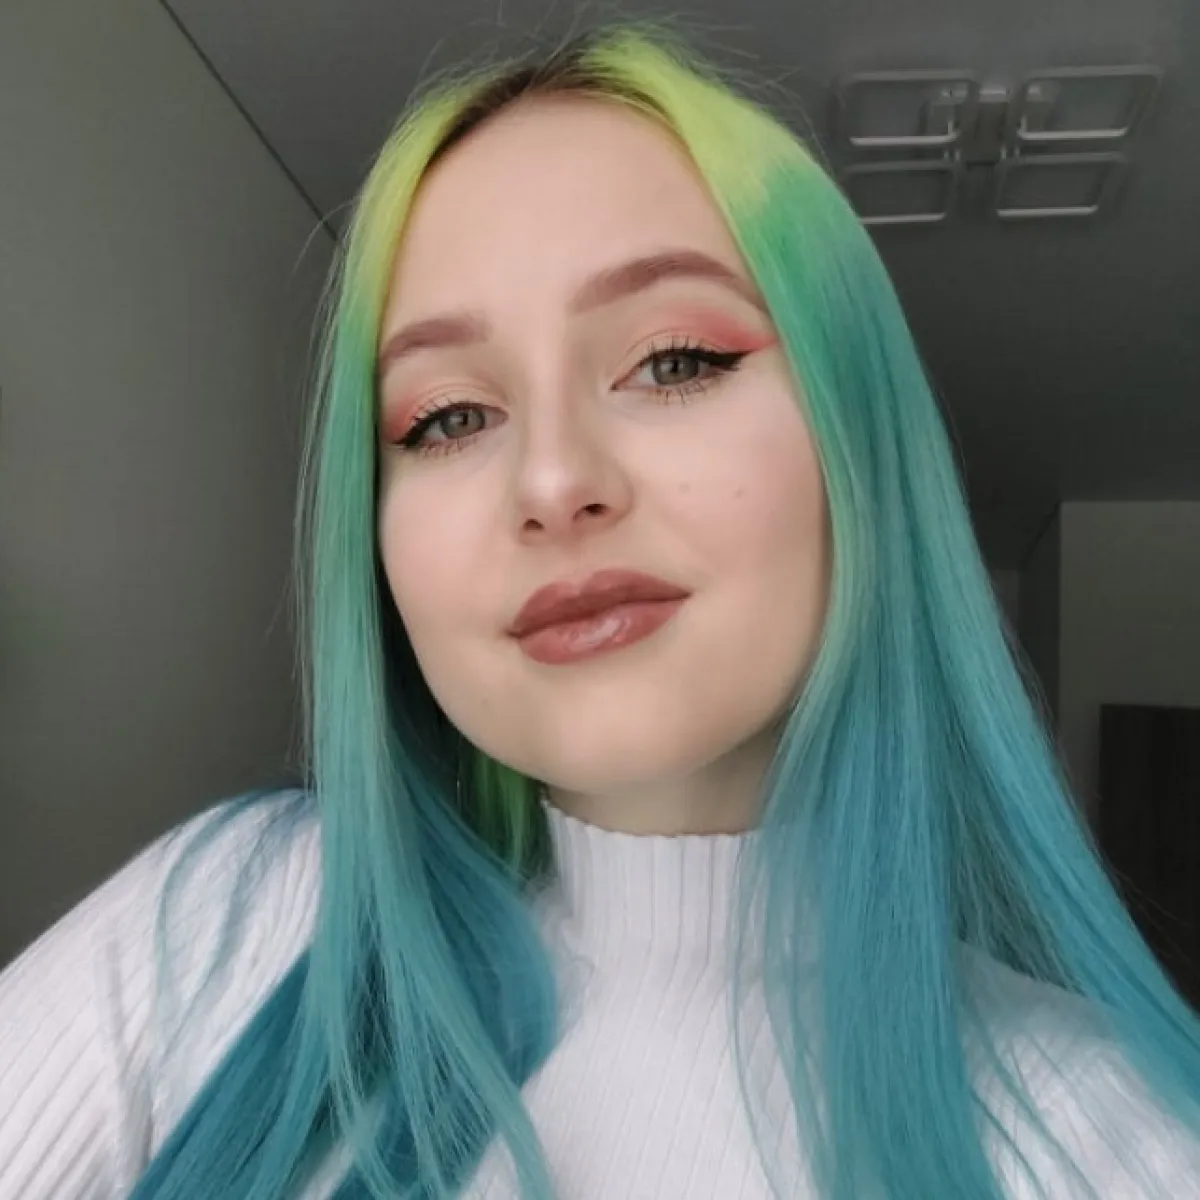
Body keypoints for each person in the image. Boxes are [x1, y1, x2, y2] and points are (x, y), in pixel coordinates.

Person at [1, 22, 1198, 1200]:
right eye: (447, 418)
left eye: (675, 360)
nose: (551, 482)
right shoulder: (223, 925)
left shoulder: (1109, 1138)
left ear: (860, 440)